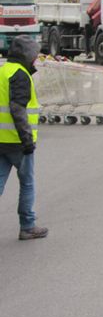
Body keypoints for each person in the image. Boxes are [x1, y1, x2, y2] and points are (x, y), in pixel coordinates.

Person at [0, 35, 48, 240]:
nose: (36, 58)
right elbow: (17, 109)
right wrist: (27, 139)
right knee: (27, 183)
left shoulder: (3, 71)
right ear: (28, 55)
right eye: (34, 54)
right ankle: (27, 226)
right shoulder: (20, 75)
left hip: (1, 140)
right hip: (17, 141)